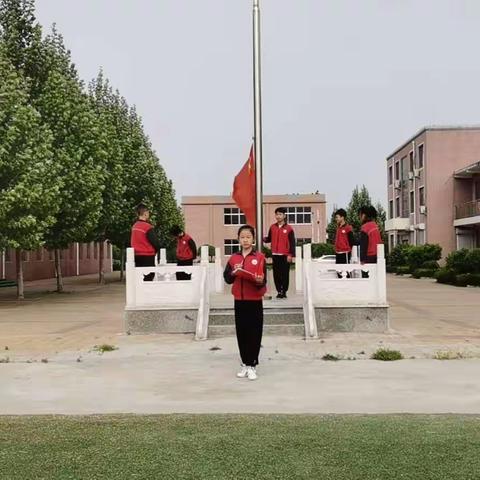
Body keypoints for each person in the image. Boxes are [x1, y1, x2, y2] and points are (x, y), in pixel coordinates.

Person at [224, 225, 266, 381]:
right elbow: (227, 279)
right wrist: (233, 273)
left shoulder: (260, 257)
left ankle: (253, 364)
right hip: (239, 300)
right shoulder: (233, 258)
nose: (245, 239)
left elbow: (263, 280)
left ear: (253, 239)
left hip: (254, 301)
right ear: (238, 239)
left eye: (248, 237)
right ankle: (244, 363)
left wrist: (259, 281)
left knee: (254, 333)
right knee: (241, 333)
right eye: (242, 237)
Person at [263, 207, 296, 299]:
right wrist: (262, 238)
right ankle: (279, 291)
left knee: (285, 274)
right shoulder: (272, 227)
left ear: (284, 215)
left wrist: (290, 255)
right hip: (275, 254)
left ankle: (284, 291)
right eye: (276, 214)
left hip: (285, 255)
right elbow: (269, 239)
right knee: (276, 274)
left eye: (280, 214)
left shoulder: (289, 229)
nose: (278, 216)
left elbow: (292, 243)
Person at [130, 203, 161, 281]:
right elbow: (155, 242)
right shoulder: (147, 227)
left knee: (139, 279)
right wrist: (156, 250)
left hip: (136, 256)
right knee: (149, 278)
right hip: (148, 256)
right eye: (148, 212)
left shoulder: (134, 226)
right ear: (145, 213)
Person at [359, 205, 383, 278]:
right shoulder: (375, 225)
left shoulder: (365, 227)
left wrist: (362, 259)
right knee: (375, 278)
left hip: (368, 257)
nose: (359, 217)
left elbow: (364, 244)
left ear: (364, 215)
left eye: (360, 214)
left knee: (366, 280)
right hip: (377, 256)